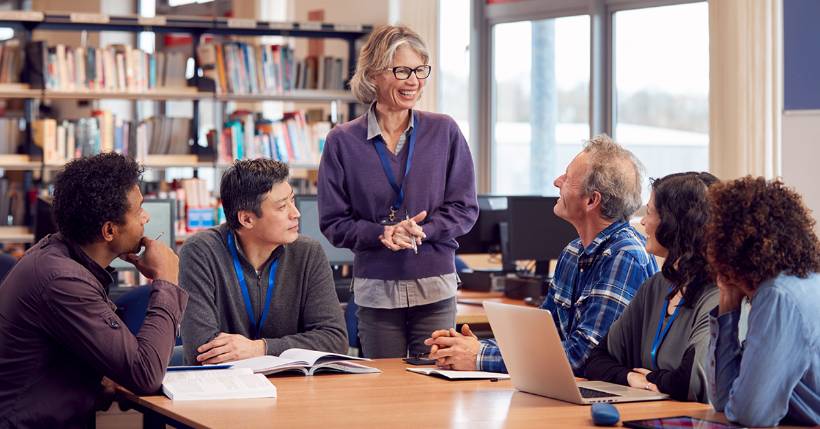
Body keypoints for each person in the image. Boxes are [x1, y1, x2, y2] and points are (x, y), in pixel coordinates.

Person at [426, 134, 658, 373]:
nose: (557, 181)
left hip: (609, 397)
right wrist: (470, 347)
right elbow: (544, 340)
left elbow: (582, 358)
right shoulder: (573, 253)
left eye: (567, 178)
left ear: (591, 200)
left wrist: (480, 356)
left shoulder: (624, 256)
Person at [318, 25, 478, 358]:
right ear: (374, 73)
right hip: (376, 289)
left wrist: (423, 230)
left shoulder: (444, 130)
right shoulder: (342, 141)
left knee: (434, 385)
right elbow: (334, 222)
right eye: (402, 70)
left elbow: (464, 208)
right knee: (384, 390)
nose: (414, 81)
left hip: (435, 284)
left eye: (420, 70)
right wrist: (383, 233)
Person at [0, 153, 185, 428]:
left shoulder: (58, 255)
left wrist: (97, 379)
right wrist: (166, 281)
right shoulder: (62, 281)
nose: (146, 217)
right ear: (109, 230)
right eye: (138, 211)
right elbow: (146, 374)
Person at [180, 159, 347, 365]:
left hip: (293, 385)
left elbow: (334, 340)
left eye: (292, 201)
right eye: (282, 207)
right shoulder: (201, 252)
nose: (296, 213)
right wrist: (290, 348)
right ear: (247, 219)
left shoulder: (308, 253)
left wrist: (260, 348)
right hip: (226, 387)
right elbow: (201, 348)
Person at [583, 172, 719, 402]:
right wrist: (630, 377)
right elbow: (596, 360)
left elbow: (692, 382)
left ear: (675, 223)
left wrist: (655, 378)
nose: (644, 222)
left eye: (649, 212)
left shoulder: (718, 294)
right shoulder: (656, 287)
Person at [703, 177, 820, 427]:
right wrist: (728, 302)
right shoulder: (798, 283)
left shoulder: (778, 297)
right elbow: (725, 401)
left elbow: (750, 413)